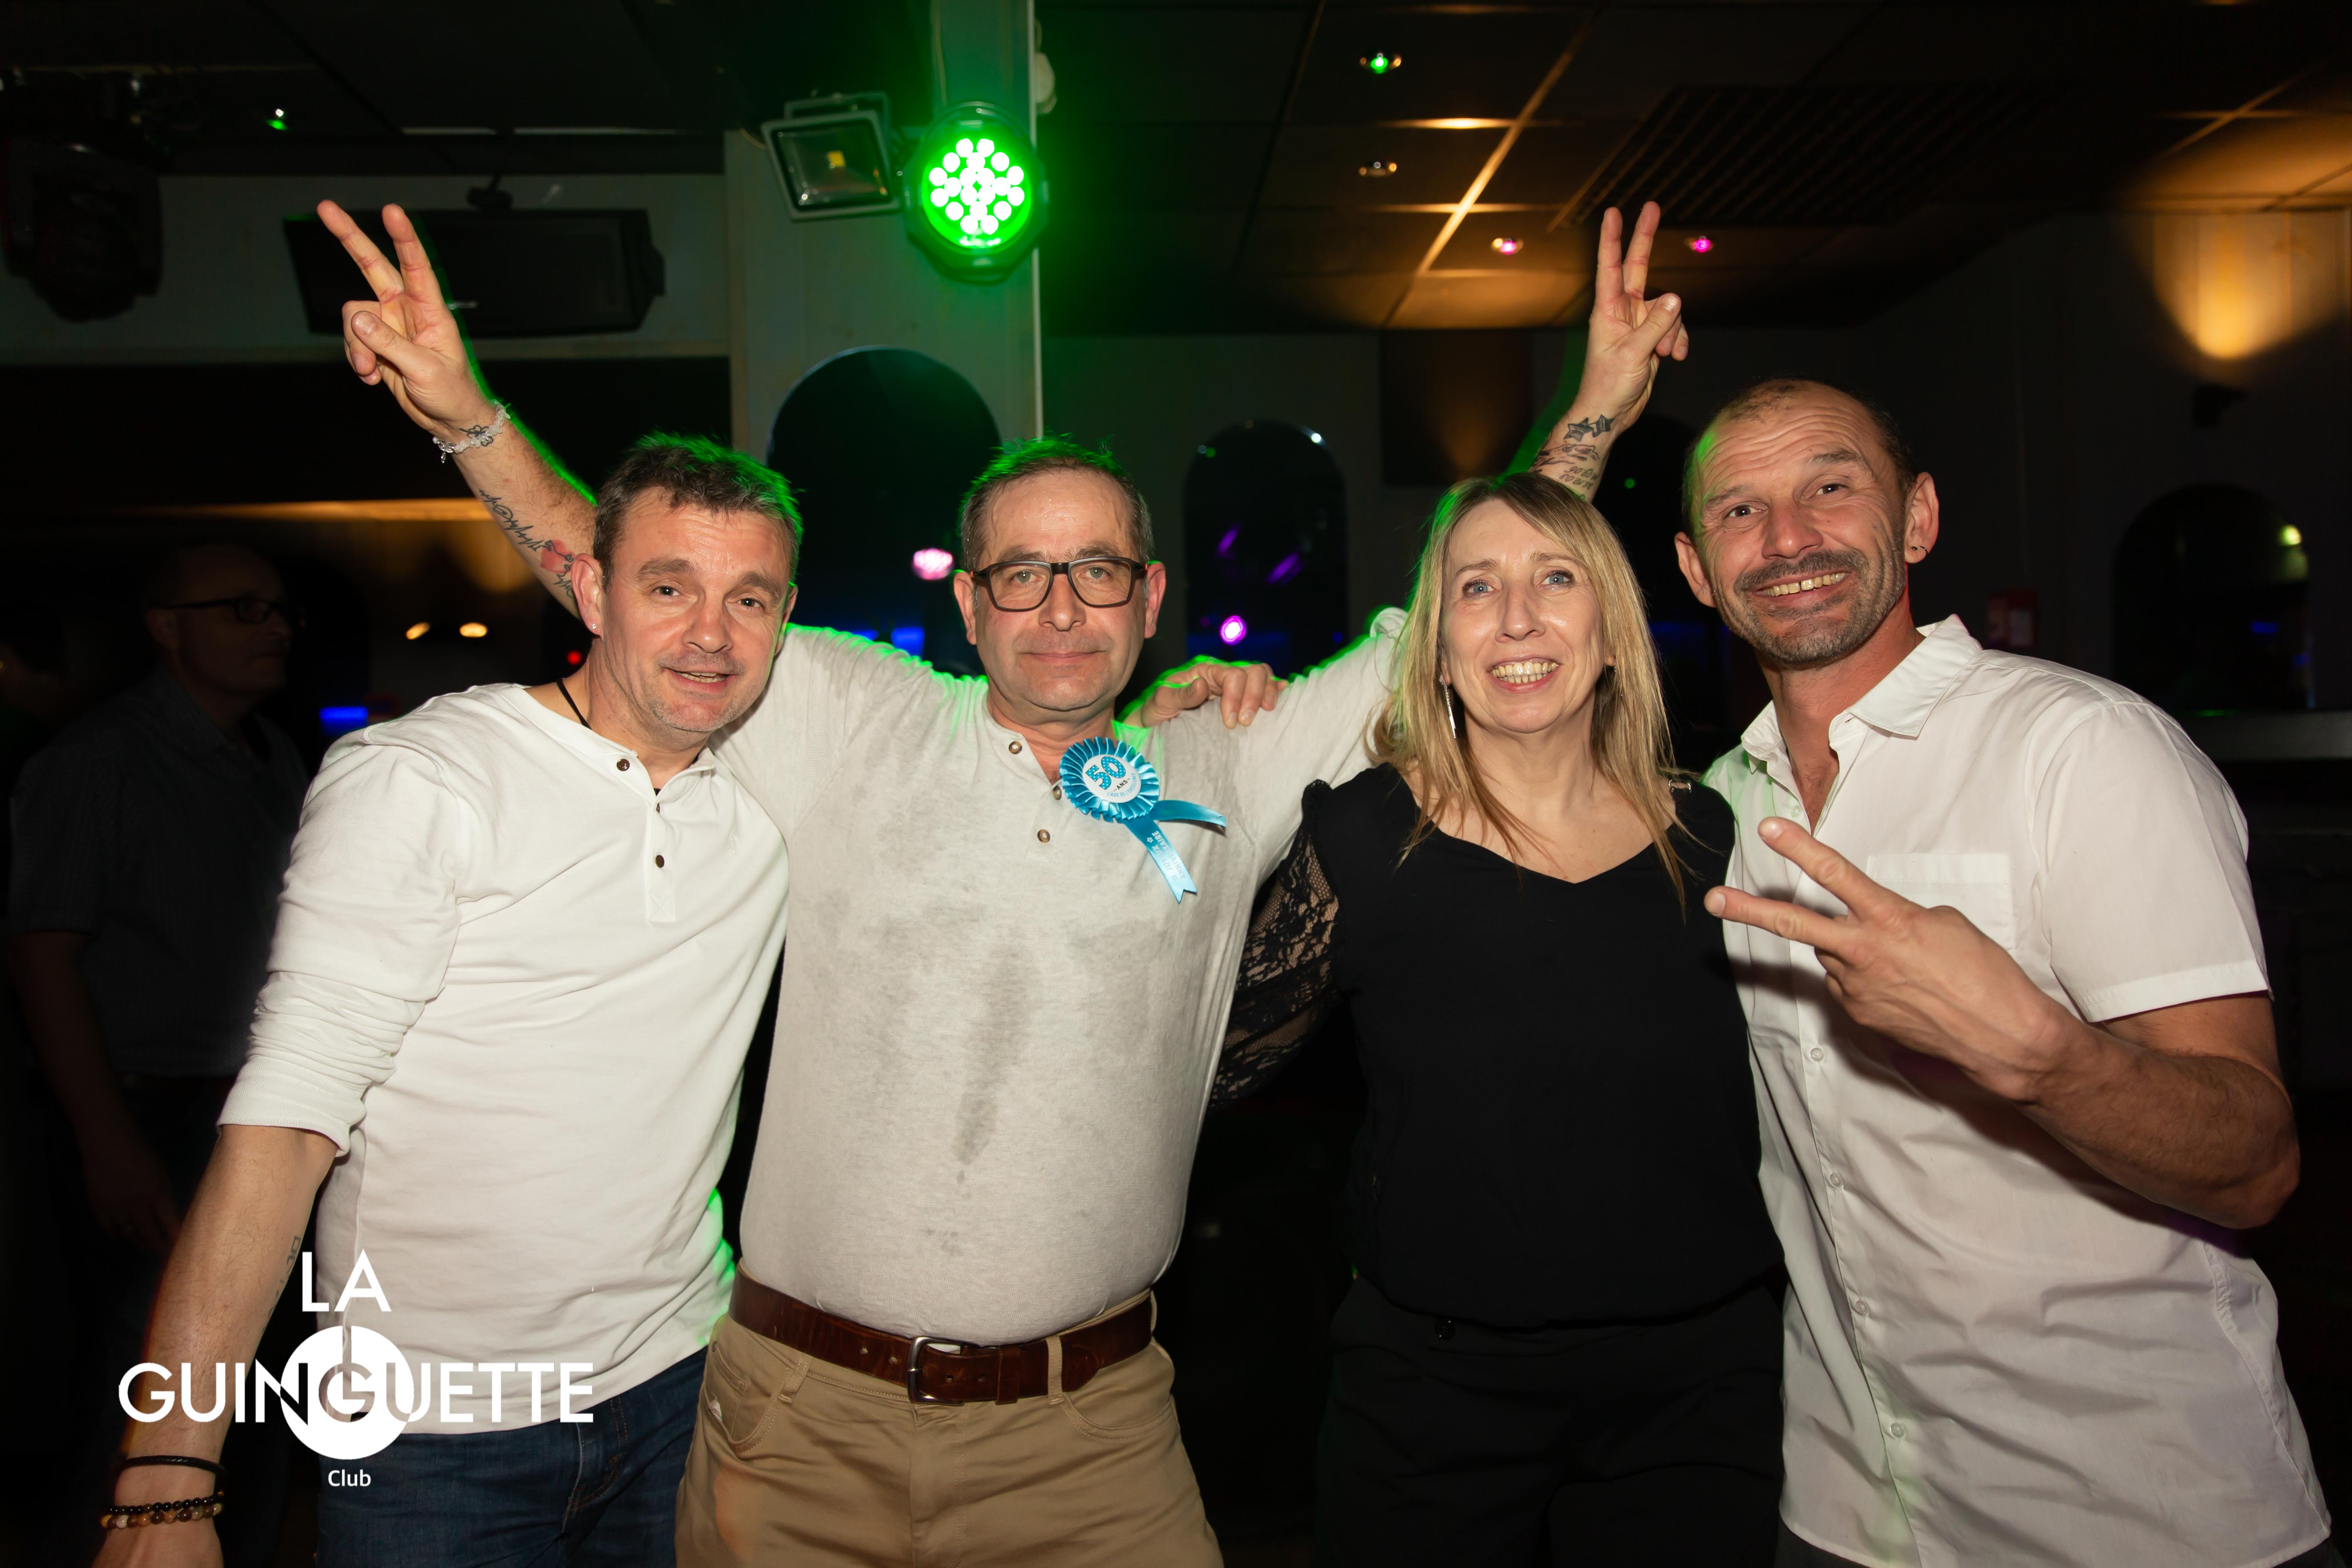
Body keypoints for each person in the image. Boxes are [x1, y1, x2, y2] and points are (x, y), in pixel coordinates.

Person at [317, 196, 1687, 1565]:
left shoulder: (1233, 760)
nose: (1060, 605)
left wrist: (1594, 412)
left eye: (1096, 569)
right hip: (797, 1425)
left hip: (1089, 1439)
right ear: (968, 604)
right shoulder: (851, 711)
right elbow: (638, 584)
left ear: (1150, 597)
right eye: (1020, 573)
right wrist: (467, 415)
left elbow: (1461, 600)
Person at [100, 442, 800, 1566]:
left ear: (785, 619)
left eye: (749, 598)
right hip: (431, 1431)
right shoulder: (425, 779)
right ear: (590, 589)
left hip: (679, 1384)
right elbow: (287, 1124)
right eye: (669, 587)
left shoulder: (772, 795)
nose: (710, 633)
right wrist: (168, 1478)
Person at [1676, 377, 2333, 1568]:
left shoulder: (2079, 749)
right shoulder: (1720, 804)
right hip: (1846, 1507)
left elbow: (2255, 1163)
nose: (1787, 538)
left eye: (1831, 485)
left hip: (2135, 1513)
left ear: (1918, 518)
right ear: (1694, 569)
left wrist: (2040, 1055)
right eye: (1738, 510)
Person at [1215, 472, 1785, 1566]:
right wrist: (1187, 742)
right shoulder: (1363, 841)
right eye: (1477, 588)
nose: (1518, 618)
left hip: (1696, 1395)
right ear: (1437, 650)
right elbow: (1207, 1060)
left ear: (1611, 634)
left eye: (1556, 579)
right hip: (1433, 1402)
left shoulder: (1711, 834)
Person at [14, 542, 309, 1568]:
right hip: (153, 1112)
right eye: (240, 608)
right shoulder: (96, 762)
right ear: (165, 626)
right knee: (143, 1402)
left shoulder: (272, 754)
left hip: (252, 1112)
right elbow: (42, 955)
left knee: (259, 1399)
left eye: (279, 608)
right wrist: (109, 1141)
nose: (274, 626)